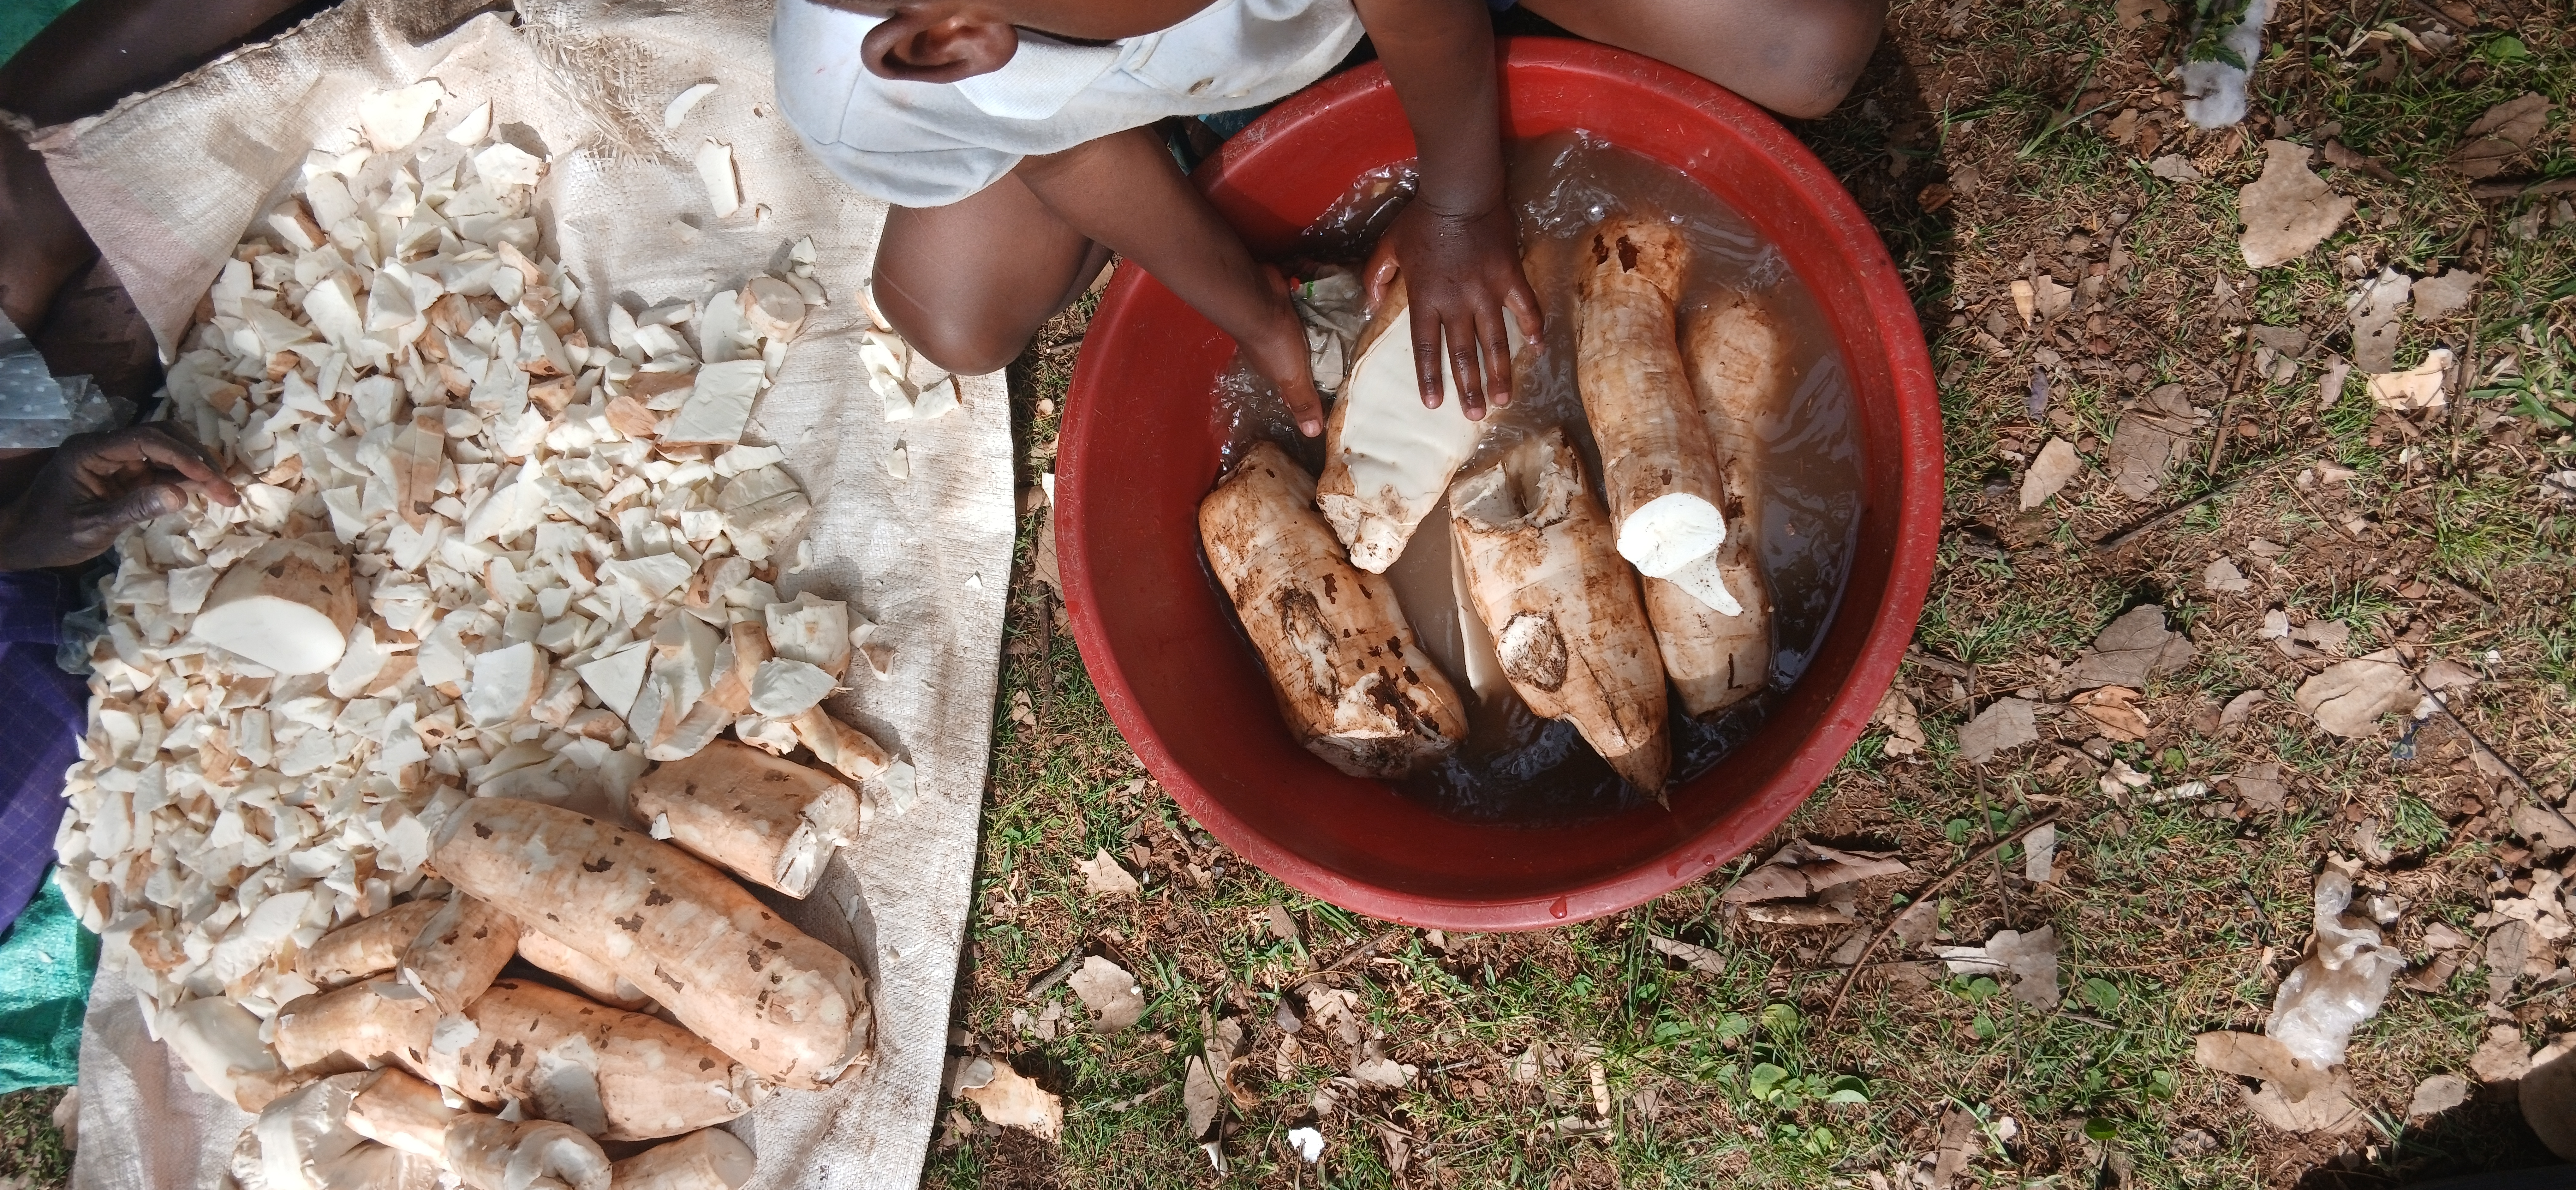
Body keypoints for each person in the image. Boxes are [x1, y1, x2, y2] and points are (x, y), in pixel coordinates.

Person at [774, 0, 1884, 435]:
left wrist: (1460, 199)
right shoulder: (873, 88)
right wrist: (1248, 307)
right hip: (1185, 57)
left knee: (1807, 52)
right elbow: (1061, 138)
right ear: (949, 40)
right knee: (952, 322)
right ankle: (1219, 109)